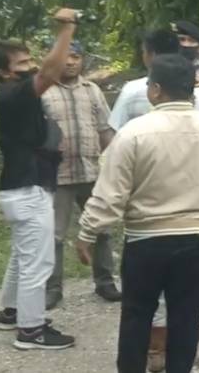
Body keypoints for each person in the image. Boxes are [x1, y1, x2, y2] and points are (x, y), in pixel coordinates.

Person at [76, 54, 199, 373]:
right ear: (192, 90)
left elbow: (110, 192)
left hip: (146, 240)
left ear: (156, 90)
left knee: (136, 316)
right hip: (198, 238)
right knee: (187, 317)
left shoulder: (133, 134)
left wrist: (88, 232)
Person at [108, 31, 199, 372]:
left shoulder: (132, 125)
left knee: (137, 311)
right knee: (188, 310)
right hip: (197, 229)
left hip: (146, 231)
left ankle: (146, 359)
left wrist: (92, 227)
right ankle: (186, 360)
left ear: (155, 87)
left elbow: (111, 170)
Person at [0, 8, 78, 350]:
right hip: (28, 190)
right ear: (3, 73)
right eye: (22, 63)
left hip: (21, 188)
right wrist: (66, 28)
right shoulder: (14, 94)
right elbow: (51, 70)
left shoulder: (13, 95)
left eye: (30, 59)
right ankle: (31, 331)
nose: (31, 66)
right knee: (37, 262)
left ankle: (10, 312)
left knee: (21, 256)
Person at [41, 40, 120, 310]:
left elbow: (105, 130)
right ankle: (53, 288)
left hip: (92, 172)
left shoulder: (93, 90)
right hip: (58, 175)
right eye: (66, 56)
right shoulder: (43, 91)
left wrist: (112, 161)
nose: (71, 62)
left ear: (82, 60)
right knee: (54, 234)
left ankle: (105, 282)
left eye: (76, 56)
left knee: (101, 229)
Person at [109, 30, 199, 131]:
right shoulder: (198, 93)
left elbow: (115, 129)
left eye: (144, 52)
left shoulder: (132, 90)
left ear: (152, 54)